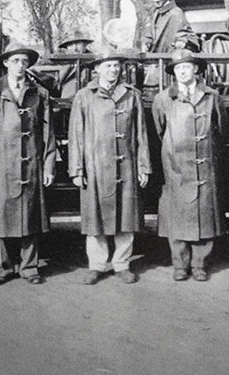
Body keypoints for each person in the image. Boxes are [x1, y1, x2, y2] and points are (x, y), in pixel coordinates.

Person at [68, 46, 152, 284]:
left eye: (117, 65)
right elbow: (76, 135)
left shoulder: (131, 94)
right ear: (97, 69)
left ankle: (122, 264)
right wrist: (77, 169)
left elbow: (141, 134)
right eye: (108, 65)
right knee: (95, 219)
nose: (113, 69)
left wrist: (143, 166)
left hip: (126, 166)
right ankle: (97, 264)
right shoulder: (85, 96)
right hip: (96, 166)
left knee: (126, 217)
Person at [0, 43, 56, 286]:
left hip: (31, 165)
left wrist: (49, 165)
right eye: (15, 60)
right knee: (1, 218)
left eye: (24, 61)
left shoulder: (40, 93)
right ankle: (3, 267)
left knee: (30, 216)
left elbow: (47, 131)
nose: (20, 65)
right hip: (2, 166)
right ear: (6, 63)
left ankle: (30, 267)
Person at [152, 49, 227, 282]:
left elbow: (221, 128)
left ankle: (200, 264)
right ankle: (180, 265)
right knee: (177, 217)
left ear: (196, 69)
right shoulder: (163, 99)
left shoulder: (212, 96)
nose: (183, 71)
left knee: (204, 216)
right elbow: (159, 130)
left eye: (187, 66)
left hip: (205, 164)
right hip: (176, 167)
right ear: (173, 72)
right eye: (178, 67)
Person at [56, 30, 93, 99]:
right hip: (65, 104)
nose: (75, 48)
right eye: (70, 45)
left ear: (85, 44)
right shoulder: (66, 64)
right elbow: (57, 85)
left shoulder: (93, 63)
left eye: (78, 43)